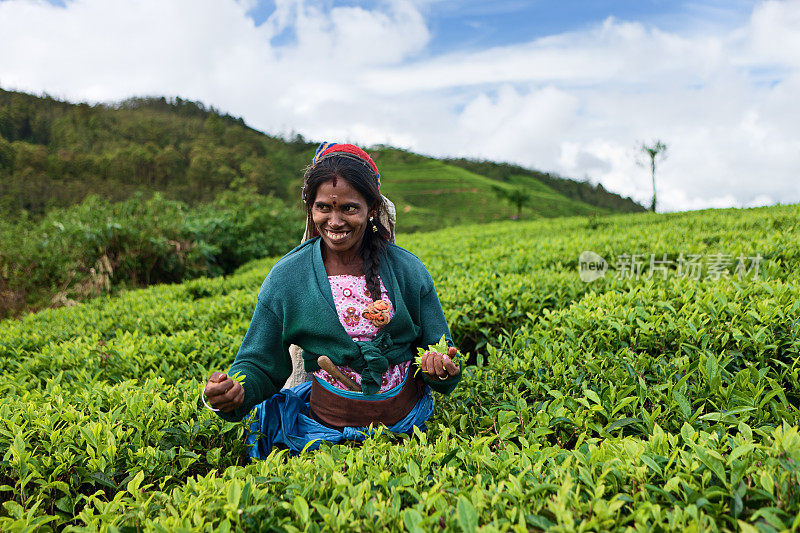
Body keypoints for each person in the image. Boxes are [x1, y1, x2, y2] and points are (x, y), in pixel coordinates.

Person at [202, 142, 461, 459]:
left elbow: (440, 346)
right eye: (324, 207)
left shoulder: (407, 270)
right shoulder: (288, 277)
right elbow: (258, 363)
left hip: (407, 427)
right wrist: (237, 392)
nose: (335, 221)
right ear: (311, 208)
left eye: (349, 208)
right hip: (324, 435)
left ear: (372, 209)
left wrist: (441, 368)